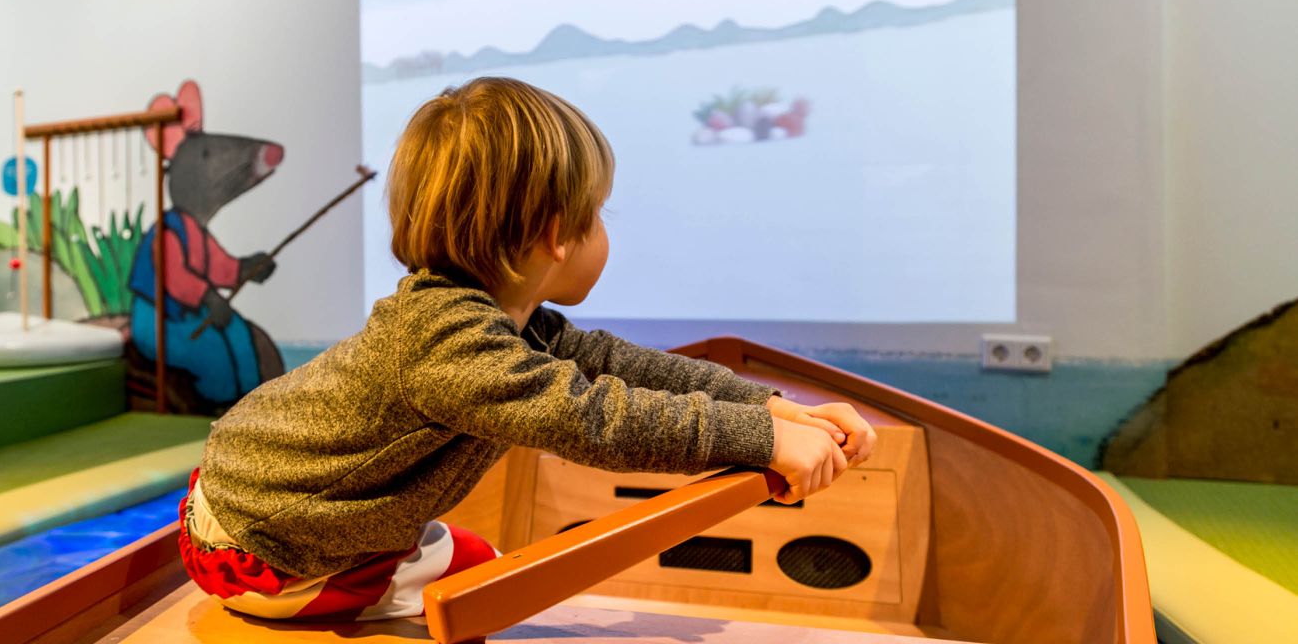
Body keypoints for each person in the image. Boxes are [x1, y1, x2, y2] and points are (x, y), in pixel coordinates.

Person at [177, 76, 877, 623]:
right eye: (597, 212)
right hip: (258, 549)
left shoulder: (510, 321)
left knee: (485, 572)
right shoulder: (450, 341)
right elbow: (590, 417)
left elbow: (619, 367)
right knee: (480, 591)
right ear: (555, 234)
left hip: (269, 510)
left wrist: (772, 408)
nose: (603, 229)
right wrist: (756, 438)